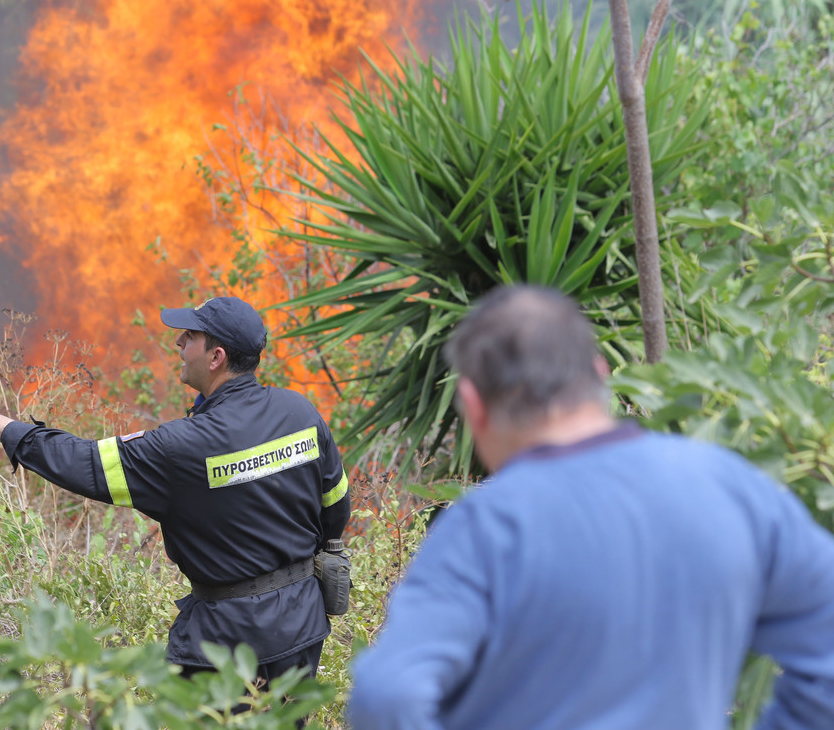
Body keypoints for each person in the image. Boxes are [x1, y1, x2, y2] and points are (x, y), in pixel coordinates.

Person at [347, 285, 834, 730]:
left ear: (473, 405)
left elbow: (386, 695)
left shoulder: (485, 531)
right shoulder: (730, 484)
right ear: (599, 373)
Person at [0, 296, 350, 684]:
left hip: (227, 646)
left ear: (217, 356)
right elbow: (335, 505)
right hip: (301, 627)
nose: (179, 342)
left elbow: (84, 463)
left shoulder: (182, 447)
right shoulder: (300, 412)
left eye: (190, 336)